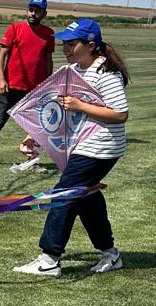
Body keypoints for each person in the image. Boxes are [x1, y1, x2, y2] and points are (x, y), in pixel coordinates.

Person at [13, 18, 129, 278]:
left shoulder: (106, 73)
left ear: (90, 45)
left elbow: (120, 114)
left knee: (64, 195)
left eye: (72, 43)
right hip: (86, 143)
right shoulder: (78, 70)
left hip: (101, 147)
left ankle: (49, 259)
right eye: (64, 43)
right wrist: (36, 134)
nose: (65, 48)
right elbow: (63, 110)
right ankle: (110, 253)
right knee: (86, 197)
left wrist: (79, 106)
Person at [0, 0, 56, 167]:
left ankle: (33, 159)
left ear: (44, 14)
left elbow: (48, 60)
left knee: (36, 126)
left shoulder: (48, 34)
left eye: (37, 11)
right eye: (31, 10)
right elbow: (2, 55)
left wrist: (47, 84)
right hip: (12, 86)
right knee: (0, 120)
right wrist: (1, 79)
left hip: (35, 90)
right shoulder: (15, 28)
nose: (33, 13)